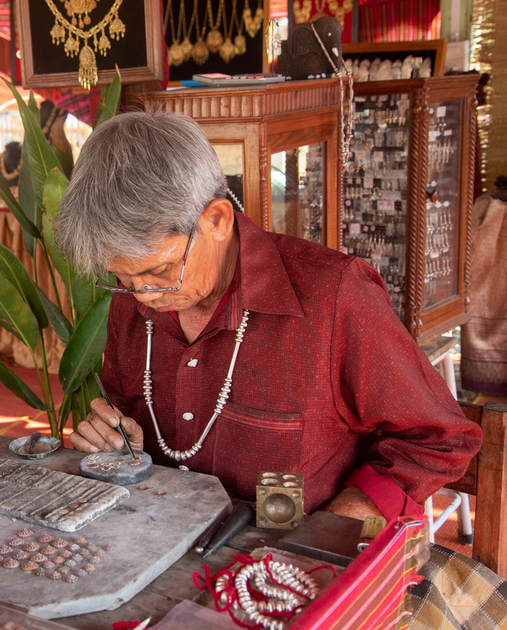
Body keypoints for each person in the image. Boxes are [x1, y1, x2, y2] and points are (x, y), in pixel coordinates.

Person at [53, 111, 481, 522]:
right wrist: (115, 438)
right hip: (160, 544)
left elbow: (440, 438)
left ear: (216, 220)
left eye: (159, 271)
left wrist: (347, 515)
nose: (143, 295)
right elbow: (126, 416)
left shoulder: (333, 296)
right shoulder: (136, 301)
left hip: (292, 563)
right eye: (123, 278)